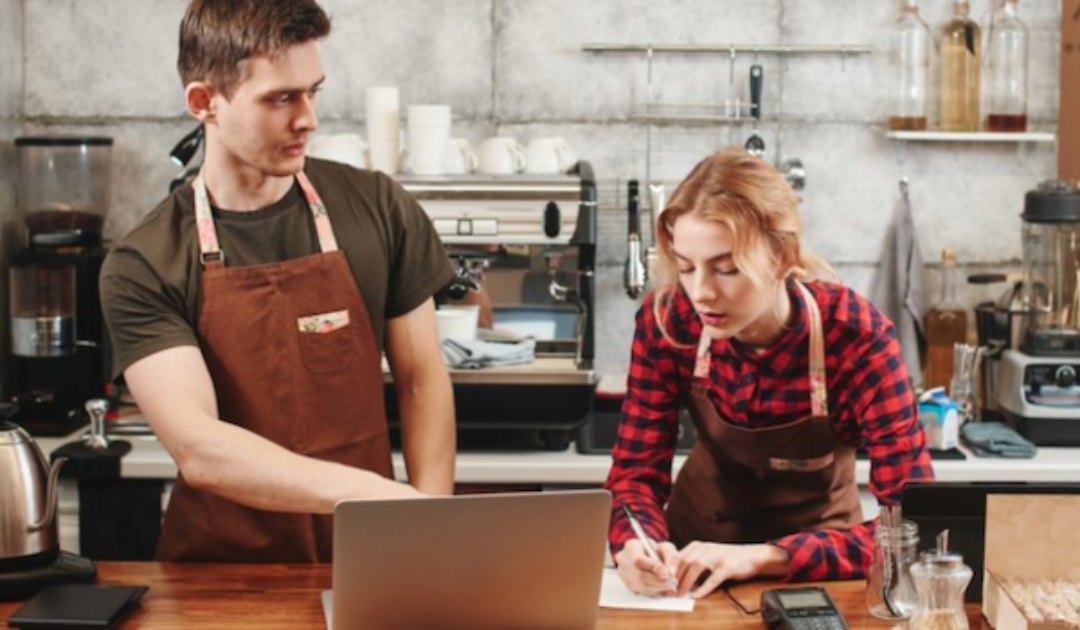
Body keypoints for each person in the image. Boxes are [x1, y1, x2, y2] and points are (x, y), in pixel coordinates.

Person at [99, 0, 456, 562]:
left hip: (369, 557)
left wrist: (429, 522)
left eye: (313, 91)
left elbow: (421, 381)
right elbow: (200, 447)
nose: (307, 118)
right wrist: (381, 497)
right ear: (203, 103)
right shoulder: (146, 262)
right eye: (280, 98)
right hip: (219, 578)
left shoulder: (380, 208)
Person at [605, 148, 934, 598]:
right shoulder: (669, 324)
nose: (700, 292)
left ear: (781, 257)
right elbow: (634, 477)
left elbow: (913, 524)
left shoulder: (858, 339)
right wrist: (634, 543)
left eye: (727, 269)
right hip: (689, 567)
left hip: (819, 575)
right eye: (686, 267)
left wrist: (763, 555)